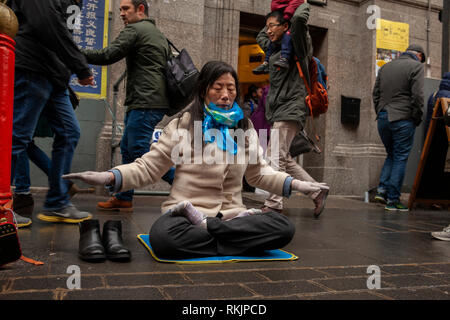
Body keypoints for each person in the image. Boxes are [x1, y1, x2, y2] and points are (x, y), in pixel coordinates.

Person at [63, 61, 329, 260]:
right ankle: (231, 238)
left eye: (231, 89)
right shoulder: (183, 124)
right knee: (163, 236)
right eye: (218, 88)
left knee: (283, 228)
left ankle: (214, 232)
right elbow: (149, 167)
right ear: (203, 91)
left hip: (233, 216)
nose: (226, 95)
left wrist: (299, 186)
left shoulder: (244, 128)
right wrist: (110, 176)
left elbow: (259, 174)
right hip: (187, 216)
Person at [9, 0, 94, 225]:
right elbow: (47, 23)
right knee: (17, 137)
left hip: (54, 74)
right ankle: (1, 207)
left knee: (69, 132)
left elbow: (61, 27)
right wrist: (80, 65)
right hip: (32, 67)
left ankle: (58, 202)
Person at [83, 0, 172, 213]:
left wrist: (77, 53)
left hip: (145, 100)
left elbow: (108, 55)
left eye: (125, 9)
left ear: (140, 9)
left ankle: (185, 182)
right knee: (127, 149)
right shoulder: (157, 33)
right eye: (120, 9)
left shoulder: (135, 29)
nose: (122, 14)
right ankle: (124, 197)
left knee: (140, 151)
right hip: (150, 100)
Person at [256, 3, 329, 218]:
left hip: (292, 108)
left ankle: (273, 203)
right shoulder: (272, 47)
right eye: (266, 26)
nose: (268, 31)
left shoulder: (299, 46)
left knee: (275, 156)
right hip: (278, 110)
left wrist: (300, 4)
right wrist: (275, 8)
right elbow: (263, 32)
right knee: (284, 158)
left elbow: (298, 21)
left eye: (273, 26)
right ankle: (317, 191)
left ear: (285, 26)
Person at [373, 44, 426, 212]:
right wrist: (416, 116)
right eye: (422, 59)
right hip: (403, 118)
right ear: (418, 55)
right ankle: (393, 200)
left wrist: (380, 112)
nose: (421, 62)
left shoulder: (386, 67)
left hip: (383, 117)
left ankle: (382, 191)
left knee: (392, 154)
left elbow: (375, 93)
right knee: (401, 157)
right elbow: (418, 96)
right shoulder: (416, 66)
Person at [253, 0, 304, 74]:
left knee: (286, 38)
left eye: (271, 26)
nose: (268, 31)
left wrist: (305, 5)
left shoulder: (299, 44)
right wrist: (275, 15)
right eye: (267, 28)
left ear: (285, 26)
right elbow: (261, 36)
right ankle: (265, 64)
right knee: (270, 45)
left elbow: (299, 17)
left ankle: (284, 59)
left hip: (288, 18)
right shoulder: (271, 43)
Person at [424, 72, 450, 137]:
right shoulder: (448, 97)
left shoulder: (433, 95)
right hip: (445, 137)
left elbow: (428, 121)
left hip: (431, 137)